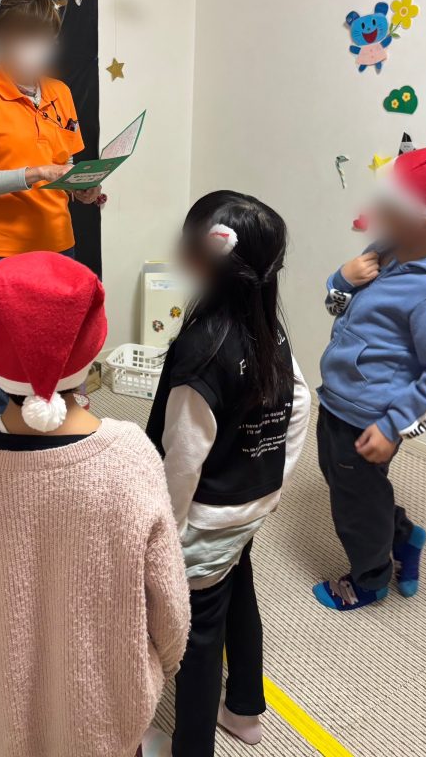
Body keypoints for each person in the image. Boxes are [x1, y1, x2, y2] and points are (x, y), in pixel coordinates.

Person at [0, 251, 190, 757]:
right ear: (94, 345)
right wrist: (158, 668)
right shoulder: (131, 457)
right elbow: (169, 608)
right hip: (108, 723)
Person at [146, 191, 311, 757]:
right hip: (247, 504)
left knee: (198, 634)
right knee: (236, 586)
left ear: (201, 256)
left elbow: (183, 458)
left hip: (202, 516)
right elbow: (302, 403)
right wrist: (272, 480)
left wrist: (163, 533)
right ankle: (243, 709)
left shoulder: (203, 347)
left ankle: (191, 747)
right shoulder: (270, 326)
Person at [0, 0, 100, 418]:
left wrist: (83, 188)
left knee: (58, 352)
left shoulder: (60, 93)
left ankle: (53, 435)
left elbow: (66, 166)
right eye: (26, 36)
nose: (37, 47)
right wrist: (35, 173)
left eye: (45, 37)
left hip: (59, 244)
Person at [315, 147, 426, 611]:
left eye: (389, 205)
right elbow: (336, 308)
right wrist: (342, 279)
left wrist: (392, 427)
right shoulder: (383, 251)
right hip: (338, 396)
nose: (375, 211)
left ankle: (369, 581)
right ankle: (404, 535)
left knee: (355, 504)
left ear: (424, 224)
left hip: (371, 415)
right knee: (347, 482)